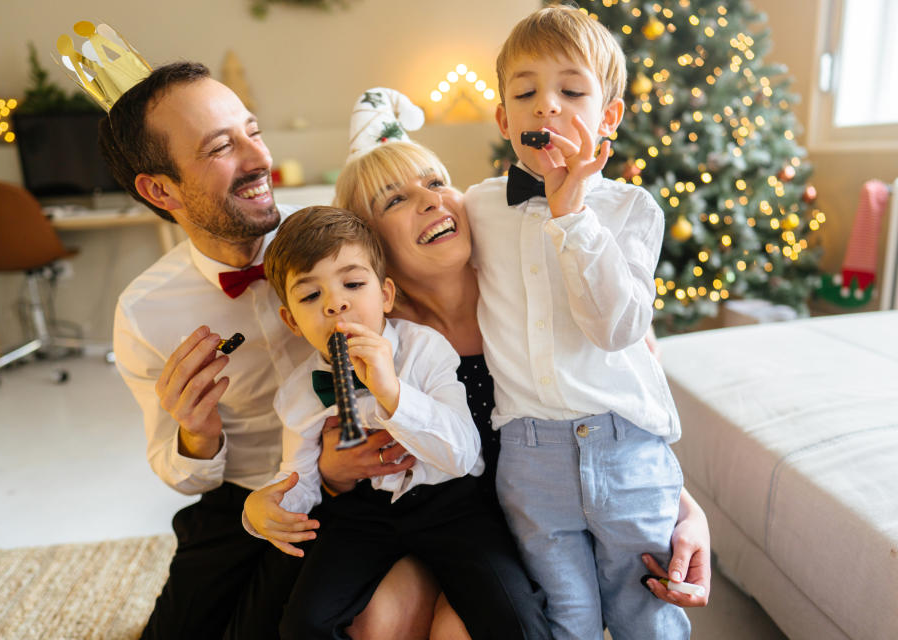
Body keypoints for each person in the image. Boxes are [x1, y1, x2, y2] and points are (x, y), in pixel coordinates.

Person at [101, 62, 446, 640]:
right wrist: (196, 435)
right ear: (160, 189)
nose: (259, 158)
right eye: (220, 147)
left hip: (355, 495)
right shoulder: (144, 313)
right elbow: (177, 471)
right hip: (238, 501)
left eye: (252, 131)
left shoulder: (344, 244)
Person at [334, 123, 709, 640]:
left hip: (536, 511)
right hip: (435, 520)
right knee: (377, 623)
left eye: (437, 182)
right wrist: (333, 469)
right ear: (370, 244)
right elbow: (335, 448)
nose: (429, 200)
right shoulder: (385, 343)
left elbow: (619, 412)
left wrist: (689, 511)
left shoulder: (533, 299)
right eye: (396, 198)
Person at [467, 5, 688, 638]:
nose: (547, 107)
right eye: (526, 92)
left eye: (571, 90)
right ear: (504, 118)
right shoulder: (478, 206)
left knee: (648, 615)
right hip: (530, 458)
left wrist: (572, 215)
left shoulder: (632, 210)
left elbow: (617, 330)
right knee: (565, 623)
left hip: (626, 451)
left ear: (607, 116)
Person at [243, 206, 549, 639]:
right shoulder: (298, 394)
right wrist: (264, 510)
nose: (335, 303)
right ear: (291, 320)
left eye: (352, 283)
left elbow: (462, 453)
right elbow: (300, 476)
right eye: (311, 297)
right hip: (361, 515)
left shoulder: (426, 350)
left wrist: (393, 394)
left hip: (452, 505)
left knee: (515, 618)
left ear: (385, 294)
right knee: (302, 625)